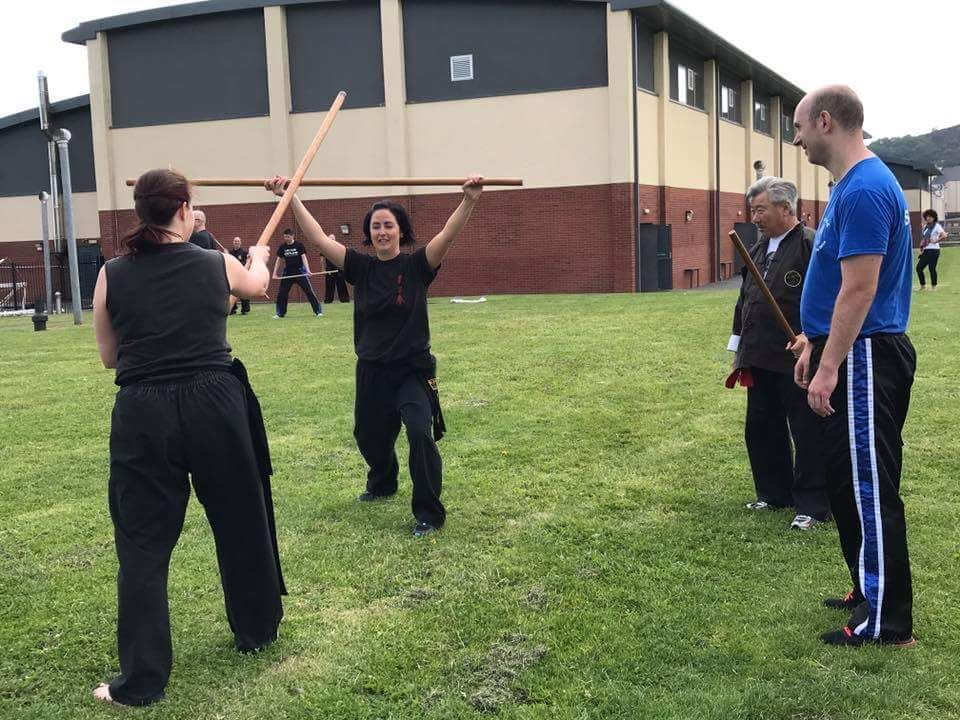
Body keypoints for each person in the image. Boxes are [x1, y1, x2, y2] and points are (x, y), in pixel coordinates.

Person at [91, 169, 286, 705]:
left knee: (143, 545)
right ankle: (257, 631)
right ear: (183, 209)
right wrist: (262, 255)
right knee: (239, 519)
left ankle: (142, 681)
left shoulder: (111, 273)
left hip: (142, 410)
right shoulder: (215, 263)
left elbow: (111, 357)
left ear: (141, 212)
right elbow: (257, 286)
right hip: (213, 402)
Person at [264, 174, 484, 537]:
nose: (382, 231)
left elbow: (447, 236)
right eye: (376, 226)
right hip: (372, 371)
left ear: (400, 230)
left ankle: (428, 513)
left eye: (388, 225)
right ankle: (383, 482)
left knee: (418, 433)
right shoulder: (360, 267)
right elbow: (318, 238)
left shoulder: (417, 267)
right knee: (368, 436)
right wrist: (290, 196)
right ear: (370, 233)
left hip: (412, 370)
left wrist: (469, 200)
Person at [789, 85, 916, 647]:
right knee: (845, 483)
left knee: (868, 487)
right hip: (846, 350)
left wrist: (830, 364)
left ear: (824, 121)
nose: (796, 138)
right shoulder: (848, 186)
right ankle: (868, 589)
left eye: (798, 127)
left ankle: (887, 624)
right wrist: (813, 346)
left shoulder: (865, 188)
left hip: (865, 354)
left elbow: (859, 290)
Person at [729, 176, 828, 530]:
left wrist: (811, 336)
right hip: (760, 354)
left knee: (807, 430)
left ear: (786, 208)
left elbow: (830, 295)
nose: (754, 217)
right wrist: (738, 344)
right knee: (762, 426)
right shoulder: (757, 247)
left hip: (797, 356)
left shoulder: (811, 244)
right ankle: (773, 493)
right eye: (752, 209)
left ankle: (813, 506)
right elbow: (746, 298)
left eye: (761, 210)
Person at [272, 228, 323, 318]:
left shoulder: (299, 245)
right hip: (288, 273)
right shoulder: (282, 247)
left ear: (292, 236)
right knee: (282, 293)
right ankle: (280, 313)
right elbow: (278, 260)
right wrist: (274, 273)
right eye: (285, 237)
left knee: (309, 291)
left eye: (288, 237)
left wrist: (308, 270)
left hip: (300, 271)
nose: (286, 239)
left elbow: (304, 258)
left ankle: (318, 311)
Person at [916, 209, 946, 290]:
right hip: (926, 250)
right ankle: (923, 286)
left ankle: (933, 286)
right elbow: (923, 238)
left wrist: (936, 240)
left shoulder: (937, 226)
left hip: (934, 250)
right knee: (919, 268)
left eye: (930, 217)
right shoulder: (925, 226)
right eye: (927, 216)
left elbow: (944, 235)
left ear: (934, 218)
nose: (928, 218)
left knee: (931, 268)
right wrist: (921, 247)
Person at [229, 236, 251, 315]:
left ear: (240, 243)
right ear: (233, 242)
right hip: (233, 275)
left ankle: (245, 309)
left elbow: (248, 262)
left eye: (238, 241)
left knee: (243, 292)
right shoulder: (230, 253)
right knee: (232, 292)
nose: (236, 243)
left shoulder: (244, 253)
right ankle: (232, 309)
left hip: (242, 275)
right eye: (235, 241)